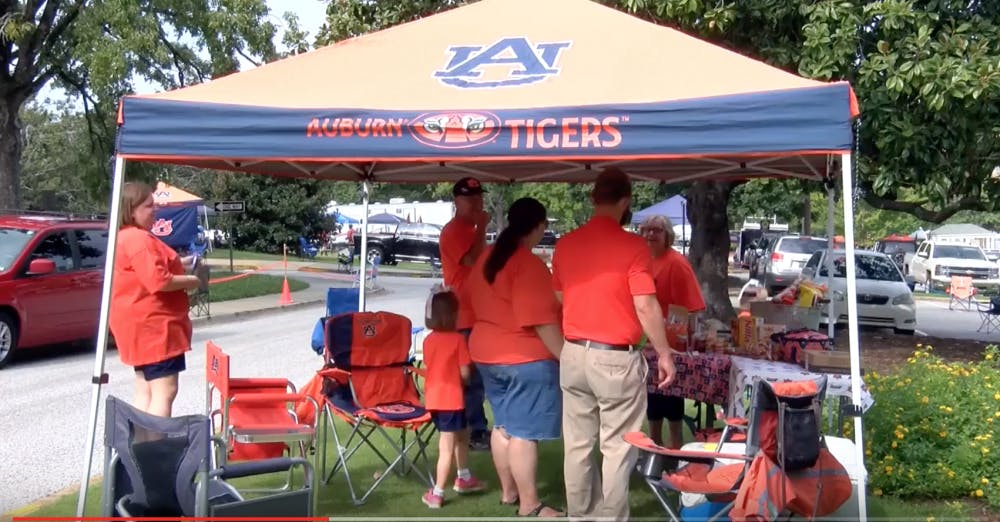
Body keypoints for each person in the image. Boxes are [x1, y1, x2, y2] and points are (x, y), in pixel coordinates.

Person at [551, 168, 677, 521]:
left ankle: (579, 514)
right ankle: (609, 517)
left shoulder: (566, 244)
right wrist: (664, 352)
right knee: (618, 447)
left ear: (593, 198)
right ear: (625, 202)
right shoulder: (634, 247)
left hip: (573, 352)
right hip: (614, 358)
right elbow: (645, 303)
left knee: (576, 445)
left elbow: (560, 294)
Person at [465, 198, 565, 518]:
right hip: (523, 358)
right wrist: (566, 357)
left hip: (485, 353)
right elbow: (540, 319)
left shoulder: (485, 257)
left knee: (504, 425)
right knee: (524, 431)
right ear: (538, 226)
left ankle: (509, 493)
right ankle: (531, 504)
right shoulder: (528, 264)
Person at [109, 182, 201, 417]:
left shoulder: (124, 237)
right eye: (149, 206)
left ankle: (139, 447)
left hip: (137, 327)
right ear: (131, 210)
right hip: (156, 329)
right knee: (164, 392)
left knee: (145, 391)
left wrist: (183, 263)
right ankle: (153, 448)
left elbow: (149, 270)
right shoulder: (139, 240)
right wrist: (192, 281)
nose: (155, 210)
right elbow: (158, 280)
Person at [640, 215, 707, 449]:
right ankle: (655, 445)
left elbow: (694, 307)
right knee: (653, 400)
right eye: (646, 229)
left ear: (667, 235)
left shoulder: (676, 263)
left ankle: (675, 446)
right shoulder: (643, 261)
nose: (650, 234)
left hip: (670, 347)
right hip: (646, 345)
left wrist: (685, 338)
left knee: (670, 399)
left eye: (656, 230)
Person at [421, 290, 487, 509]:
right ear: (454, 315)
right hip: (452, 399)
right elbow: (465, 374)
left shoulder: (428, 340)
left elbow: (431, 366)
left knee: (462, 435)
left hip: (434, 399)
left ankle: (464, 476)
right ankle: (438, 492)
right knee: (447, 447)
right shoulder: (458, 339)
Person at [439, 176, 491, 451]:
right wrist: (482, 227)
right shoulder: (455, 230)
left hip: (477, 313)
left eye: (479, 197)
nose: (477, 203)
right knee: (470, 377)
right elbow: (472, 259)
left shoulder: (470, 230)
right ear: (457, 201)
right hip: (462, 315)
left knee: (478, 376)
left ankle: (476, 427)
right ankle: (475, 431)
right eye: (470, 199)